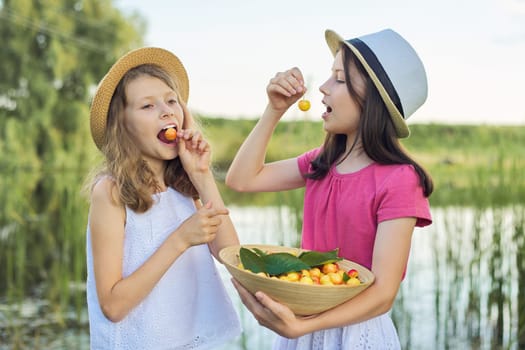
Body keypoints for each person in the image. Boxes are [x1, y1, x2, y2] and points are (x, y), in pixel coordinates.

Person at [225, 28, 433, 349]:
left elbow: (382, 294)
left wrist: (305, 326)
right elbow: (242, 179)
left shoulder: (400, 180)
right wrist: (275, 109)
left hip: (354, 331)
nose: (322, 88)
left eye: (338, 78)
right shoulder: (322, 162)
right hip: (303, 326)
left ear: (371, 99)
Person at [85, 47, 241, 349]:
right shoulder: (111, 193)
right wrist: (180, 239)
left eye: (171, 101)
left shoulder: (182, 188)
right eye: (147, 106)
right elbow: (113, 306)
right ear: (123, 126)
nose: (167, 111)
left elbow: (231, 254)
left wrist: (202, 175)